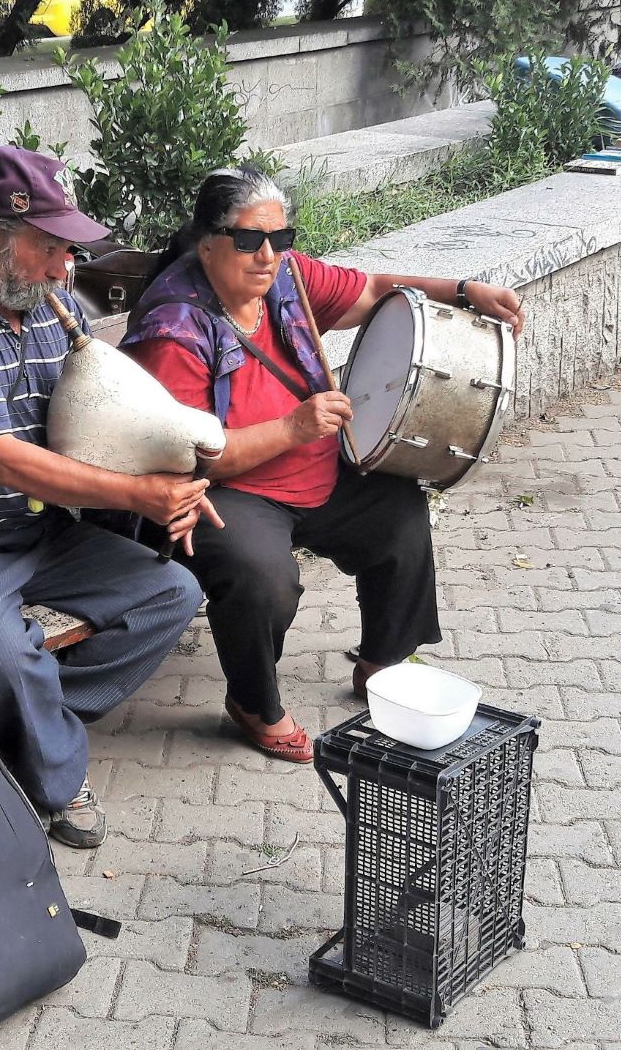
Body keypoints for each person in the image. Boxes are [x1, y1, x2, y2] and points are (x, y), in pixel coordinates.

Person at [118, 167, 526, 764]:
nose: (268, 256)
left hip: (315, 470)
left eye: (280, 240)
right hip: (228, 488)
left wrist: (462, 291)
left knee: (398, 513)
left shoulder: (289, 276)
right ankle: (253, 703)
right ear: (207, 243)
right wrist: (293, 427)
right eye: (249, 241)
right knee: (261, 575)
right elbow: (193, 453)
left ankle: (382, 663)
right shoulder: (174, 330)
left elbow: (374, 290)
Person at [0, 146, 219, 847]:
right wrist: (137, 493)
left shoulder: (49, 310)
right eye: (52, 247)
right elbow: (0, 461)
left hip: (37, 536)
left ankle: (28, 723)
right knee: (8, 659)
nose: (68, 267)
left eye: (70, 250)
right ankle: (53, 773)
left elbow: (96, 422)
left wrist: (179, 461)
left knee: (173, 593)